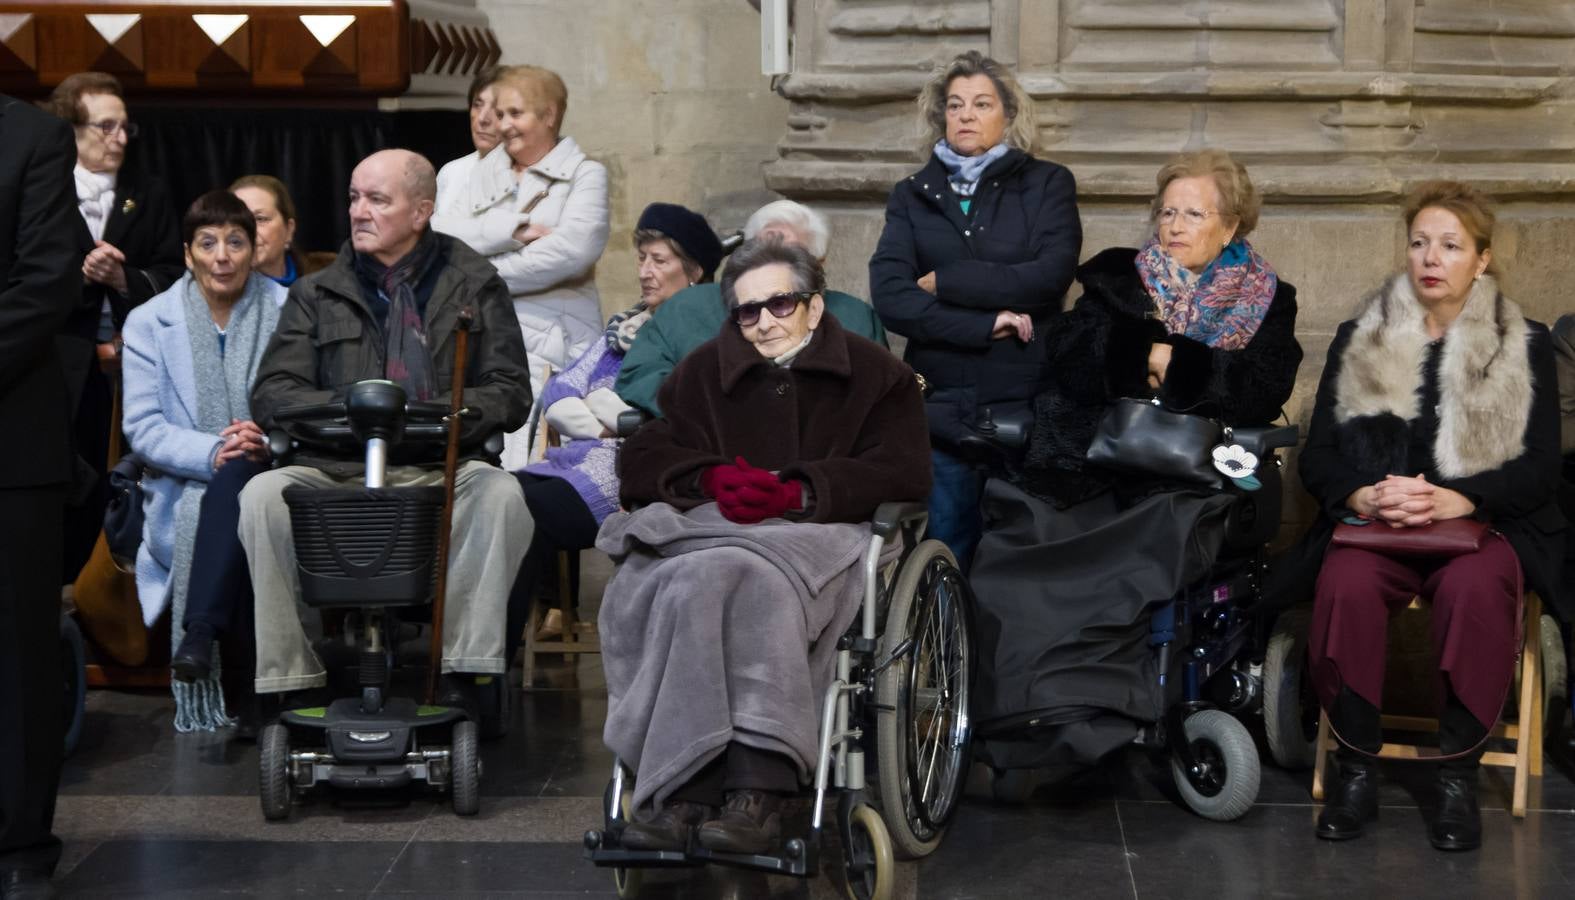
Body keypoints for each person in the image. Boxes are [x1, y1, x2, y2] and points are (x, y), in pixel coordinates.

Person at [970, 150, 1301, 775]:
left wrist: (1165, 362)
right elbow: (1068, 356)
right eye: (1167, 211)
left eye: (1193, 212)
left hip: (1190, 476)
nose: (1174, 224)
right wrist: (1146, 355)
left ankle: (1093, 716)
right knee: (1021, 541)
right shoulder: (1118, 278)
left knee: (1133, 553)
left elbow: (1261, 388)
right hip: (1087, 463)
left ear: (1230, 226)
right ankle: (1016, 716)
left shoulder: (1266, 300)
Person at [600, 238, 930, 854]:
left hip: (824, 530)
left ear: (814, 305)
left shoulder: (876, 374)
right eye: (747, 312)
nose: (764, 322)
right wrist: (709, 478)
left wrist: (799, 493)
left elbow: (905, 472)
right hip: (716, 529)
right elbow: (647, 452)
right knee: (686, 580)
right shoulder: (704, 370)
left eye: (780, 304)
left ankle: (760, 788)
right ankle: (684, 788)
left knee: (754, 581)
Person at [1299, 181, 1564, 852]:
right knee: (1343, 585)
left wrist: (1466, 498)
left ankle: (1455, 779)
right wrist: (1361, 495)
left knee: (1476, 591)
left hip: (1478, 530)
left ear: (1481, 259)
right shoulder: (1359, 339)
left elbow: (1537, 468)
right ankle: (1355, 768)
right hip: (1379, 529)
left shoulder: (1522, 343)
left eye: (1449, 245)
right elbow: (1321, 457)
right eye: (1419, 242)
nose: (1430, 258)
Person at [239, 149, 534, 715]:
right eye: (354, 197)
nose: (359, 211)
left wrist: (426, 414)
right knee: (262, 497)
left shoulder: (474, 284)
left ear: (421, 211)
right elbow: (273, 392)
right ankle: (291, 681)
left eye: (377, 199)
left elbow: (508, 390)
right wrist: (358, 410)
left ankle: (465, 675)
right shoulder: (317, 292)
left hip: (439, 465)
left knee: (502, 496)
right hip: (335, 466)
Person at [869, 50, 1082, 568]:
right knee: (946, 552)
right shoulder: (912, 195)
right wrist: (986, 324)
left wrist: (946, 280)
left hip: (1026, 402)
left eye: (981, 104)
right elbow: (892, 295)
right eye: (955, 104)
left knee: (1022, 560)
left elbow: (1048, 277)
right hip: (940, 408)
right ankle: (948, 652)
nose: (965, 115)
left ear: (1007, 115)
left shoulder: (1047, 184)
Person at [510, 202, 722, 652]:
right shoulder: (622, 331)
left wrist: (603, 410)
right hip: (564, 467)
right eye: (642, 258)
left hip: (620, 480)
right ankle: (480, 659)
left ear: (696, 271)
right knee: (494, 496)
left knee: (513, 510)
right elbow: (558, 391)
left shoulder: (703, 335)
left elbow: (659, 407)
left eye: (659, 261)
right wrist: (605, 418)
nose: (645, 271)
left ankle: (489, 664)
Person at [121, 191, 286, 732]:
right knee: (229, 488)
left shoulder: (287, 312)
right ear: (188, 253)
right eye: (208, 243)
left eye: (236, 242)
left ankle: (202, 632)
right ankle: (250, 688)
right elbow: (143, 428)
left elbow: (305, 403)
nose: (223, 256)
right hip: (178, 485)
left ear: (254, 249)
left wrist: (265, 438)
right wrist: (213, 451)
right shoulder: (150, 321)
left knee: (245, 485)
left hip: (274, 470)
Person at [431, 64, 609, 467]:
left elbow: (569, 253)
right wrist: (514, 227)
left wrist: (478, 275)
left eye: (515, 113)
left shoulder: (585, 175)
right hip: (482, 341)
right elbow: (441, 238)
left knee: (540, 467)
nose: (502, 124)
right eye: (500, 113)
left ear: (548, 115)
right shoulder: (483, 170)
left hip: (556, 343)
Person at [47, 71, 184, 581]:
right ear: (70, 130)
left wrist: (122, 278)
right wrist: (82, 276)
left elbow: (174, 274)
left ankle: (120, 584)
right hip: (60, 364)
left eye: (126, 127)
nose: (120, 139)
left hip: (135, 363)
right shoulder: (43, 189)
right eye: (106, 127)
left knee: (125, 478)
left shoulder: (147, 193)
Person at [0, 92, 79, 900]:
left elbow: (47, 279)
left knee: (16, 654)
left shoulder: (33, 136)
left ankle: (20, 842)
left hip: (9, 436)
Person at [615, 199, 887, 417]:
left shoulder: (855, 317)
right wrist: (712, 411)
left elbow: (878, 394)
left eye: (789, 257)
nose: (770, 267)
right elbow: (639, 374)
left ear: (819, 264)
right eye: (760, 251)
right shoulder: (687, 307)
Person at [435, 65, 505, 217]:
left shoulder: (524, 175)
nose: (482, 119)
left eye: (497, 110)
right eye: (477, 105)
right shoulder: (450, 171)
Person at [229, 175, 303, 286]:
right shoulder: (210, 295)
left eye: (260, 219)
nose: (248, 230)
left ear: (289, 230)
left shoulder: (325, 283)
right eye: (238, 220)